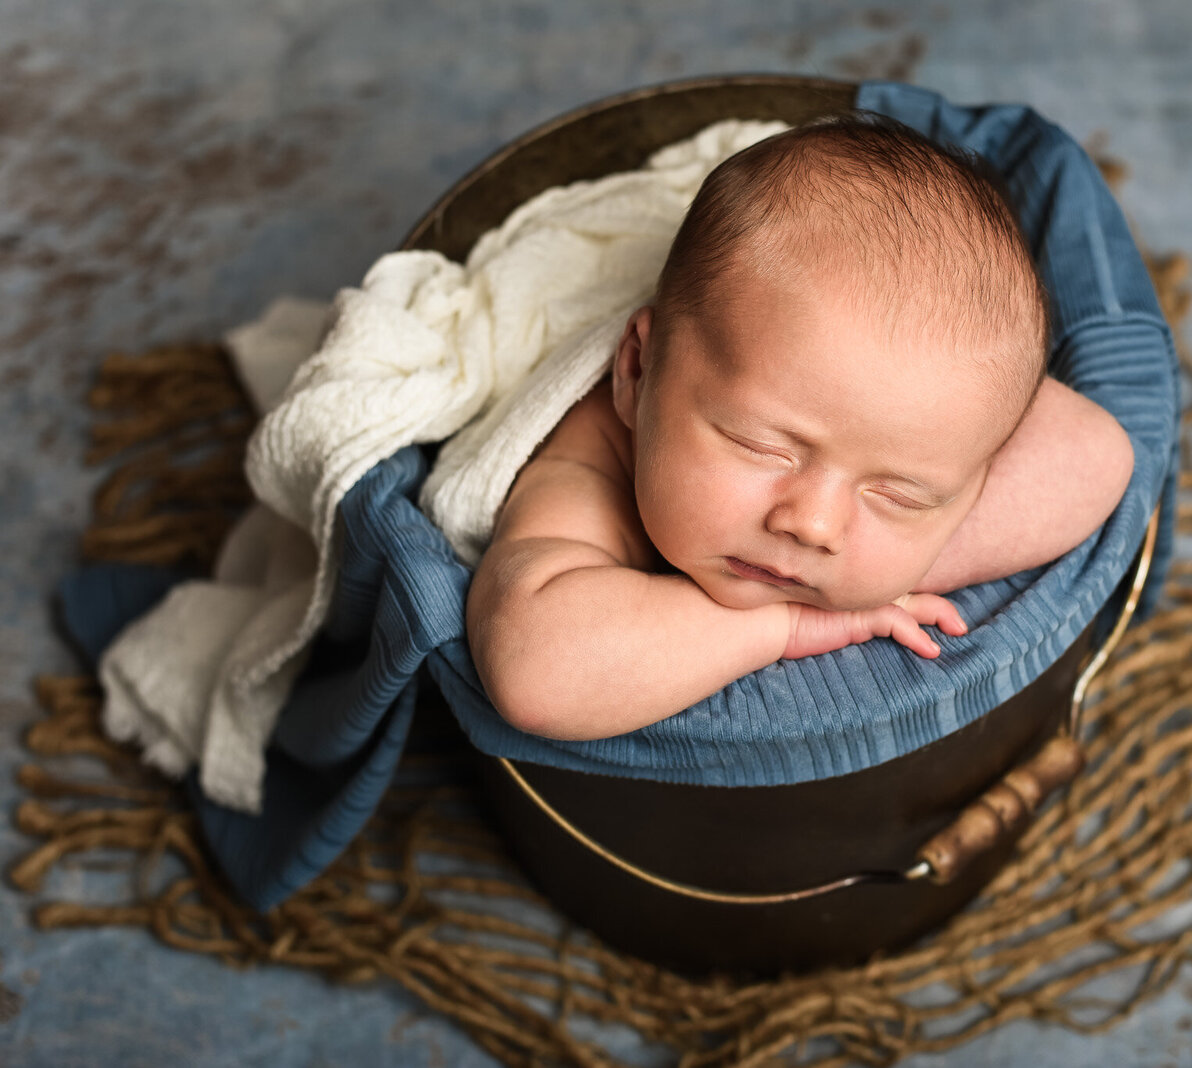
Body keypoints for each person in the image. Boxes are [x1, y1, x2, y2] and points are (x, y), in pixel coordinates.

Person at [465, 114, 1134, 742]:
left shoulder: (911, 433)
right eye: (762, 446)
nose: (812, 525)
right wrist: (787, 624)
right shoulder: (588, 467)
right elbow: (537, 675)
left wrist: (883, 568)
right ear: (637, 372)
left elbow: (1095, 454)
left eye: (897, 495)